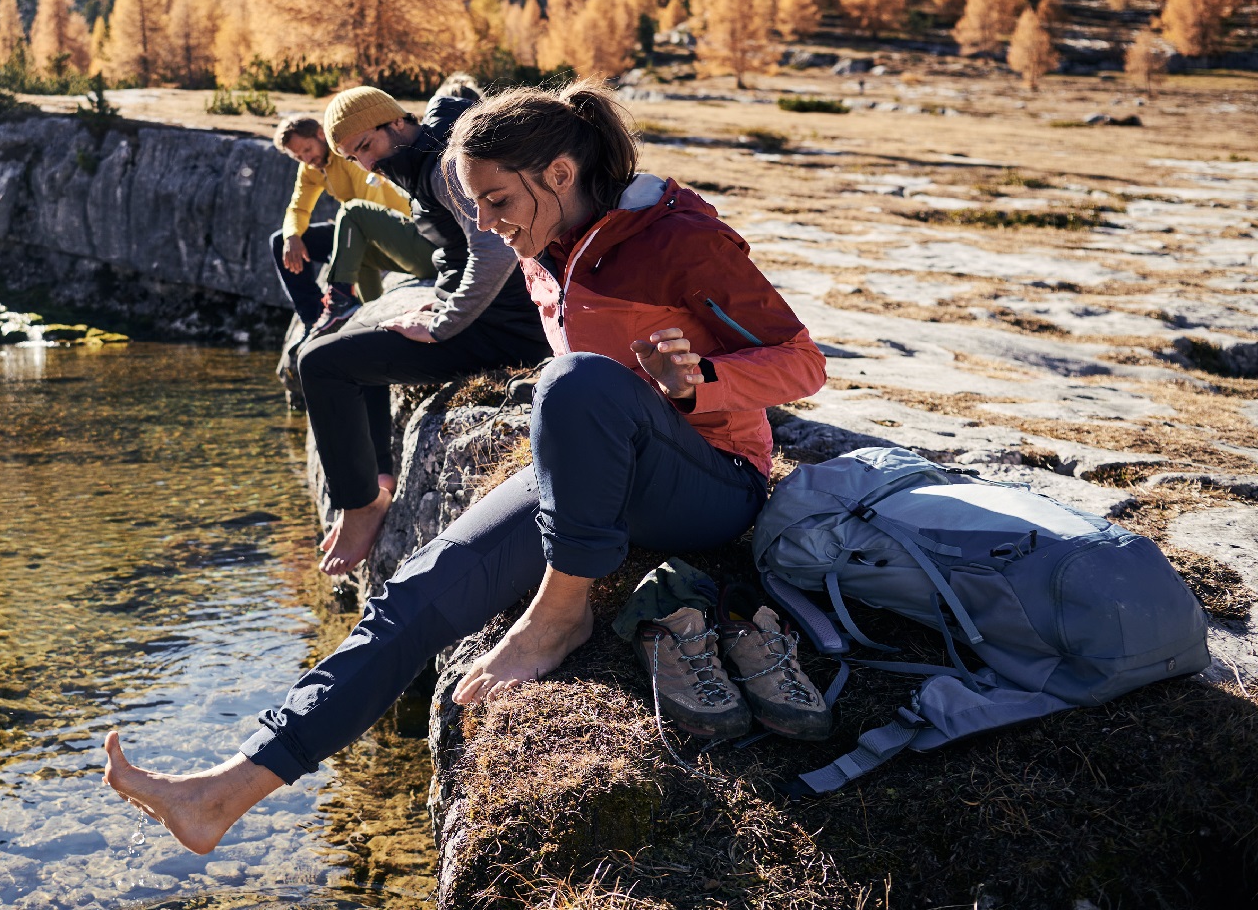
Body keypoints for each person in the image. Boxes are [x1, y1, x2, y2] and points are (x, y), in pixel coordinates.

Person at [102, 81, 827, 855]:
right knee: (417, 588)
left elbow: (803, 363)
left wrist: (699, 383)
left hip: (712, 481)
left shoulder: (676, 237)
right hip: (601, 473)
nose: (483, 223)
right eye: (473, 203)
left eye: (495, 201)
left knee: (575, 380)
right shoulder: (547, 241)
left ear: (557, 174)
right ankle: (222, 792)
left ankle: (560, 614)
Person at [301, 84, 552, 575]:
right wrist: (437, 304)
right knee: (357, 345)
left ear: (394, 122)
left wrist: (441, 323)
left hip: (504, 329)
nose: (367, 165)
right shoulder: (430, 156)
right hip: (494, 317)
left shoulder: (444, 167)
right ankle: (376, 486)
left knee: (322, 363)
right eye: (355, 158)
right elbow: (461, 254)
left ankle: (360, 505)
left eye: (366, 148)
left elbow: (496, 251)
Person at [269, 116, 435, 339]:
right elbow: (298, 209)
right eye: (298, 156)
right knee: (281, 241)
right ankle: (314, 318)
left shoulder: (351, 156)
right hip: (354, 227)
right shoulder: (311, 168)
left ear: (320, 134)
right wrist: (292, 237)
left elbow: (366, 209)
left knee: (351, 216)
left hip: (391, 230)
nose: (306, 159)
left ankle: (344, 300)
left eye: (307, 149)